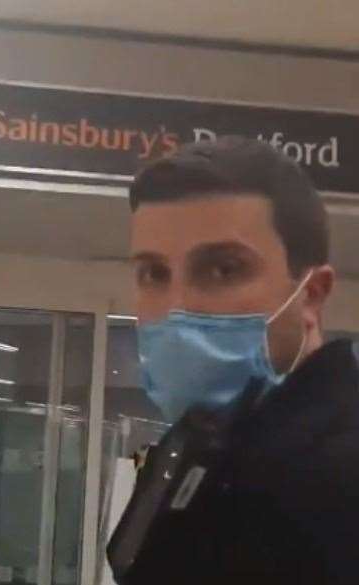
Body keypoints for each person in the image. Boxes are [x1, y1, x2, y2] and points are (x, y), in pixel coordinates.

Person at [109, 136, 359, 584]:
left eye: (223, 269)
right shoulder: (204, 443)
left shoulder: (340, 473)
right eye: (153, 273)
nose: (176, 307)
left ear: (311, 294)